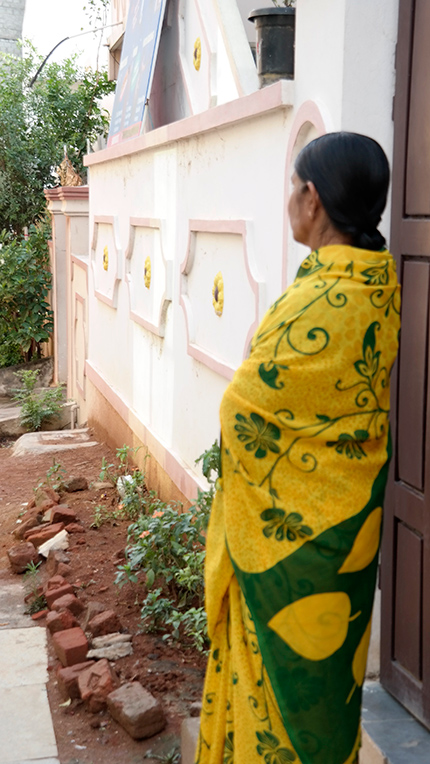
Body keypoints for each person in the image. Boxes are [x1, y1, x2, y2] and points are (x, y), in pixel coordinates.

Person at [195, 132, 401, 764]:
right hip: (349, 530)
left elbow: (243, 409)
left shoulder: (319, 298)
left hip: (288, 547)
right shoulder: (378, 284)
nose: (288, 200)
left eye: (293, 186)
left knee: (282, 680)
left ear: (313, 199)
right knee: (328, 677)